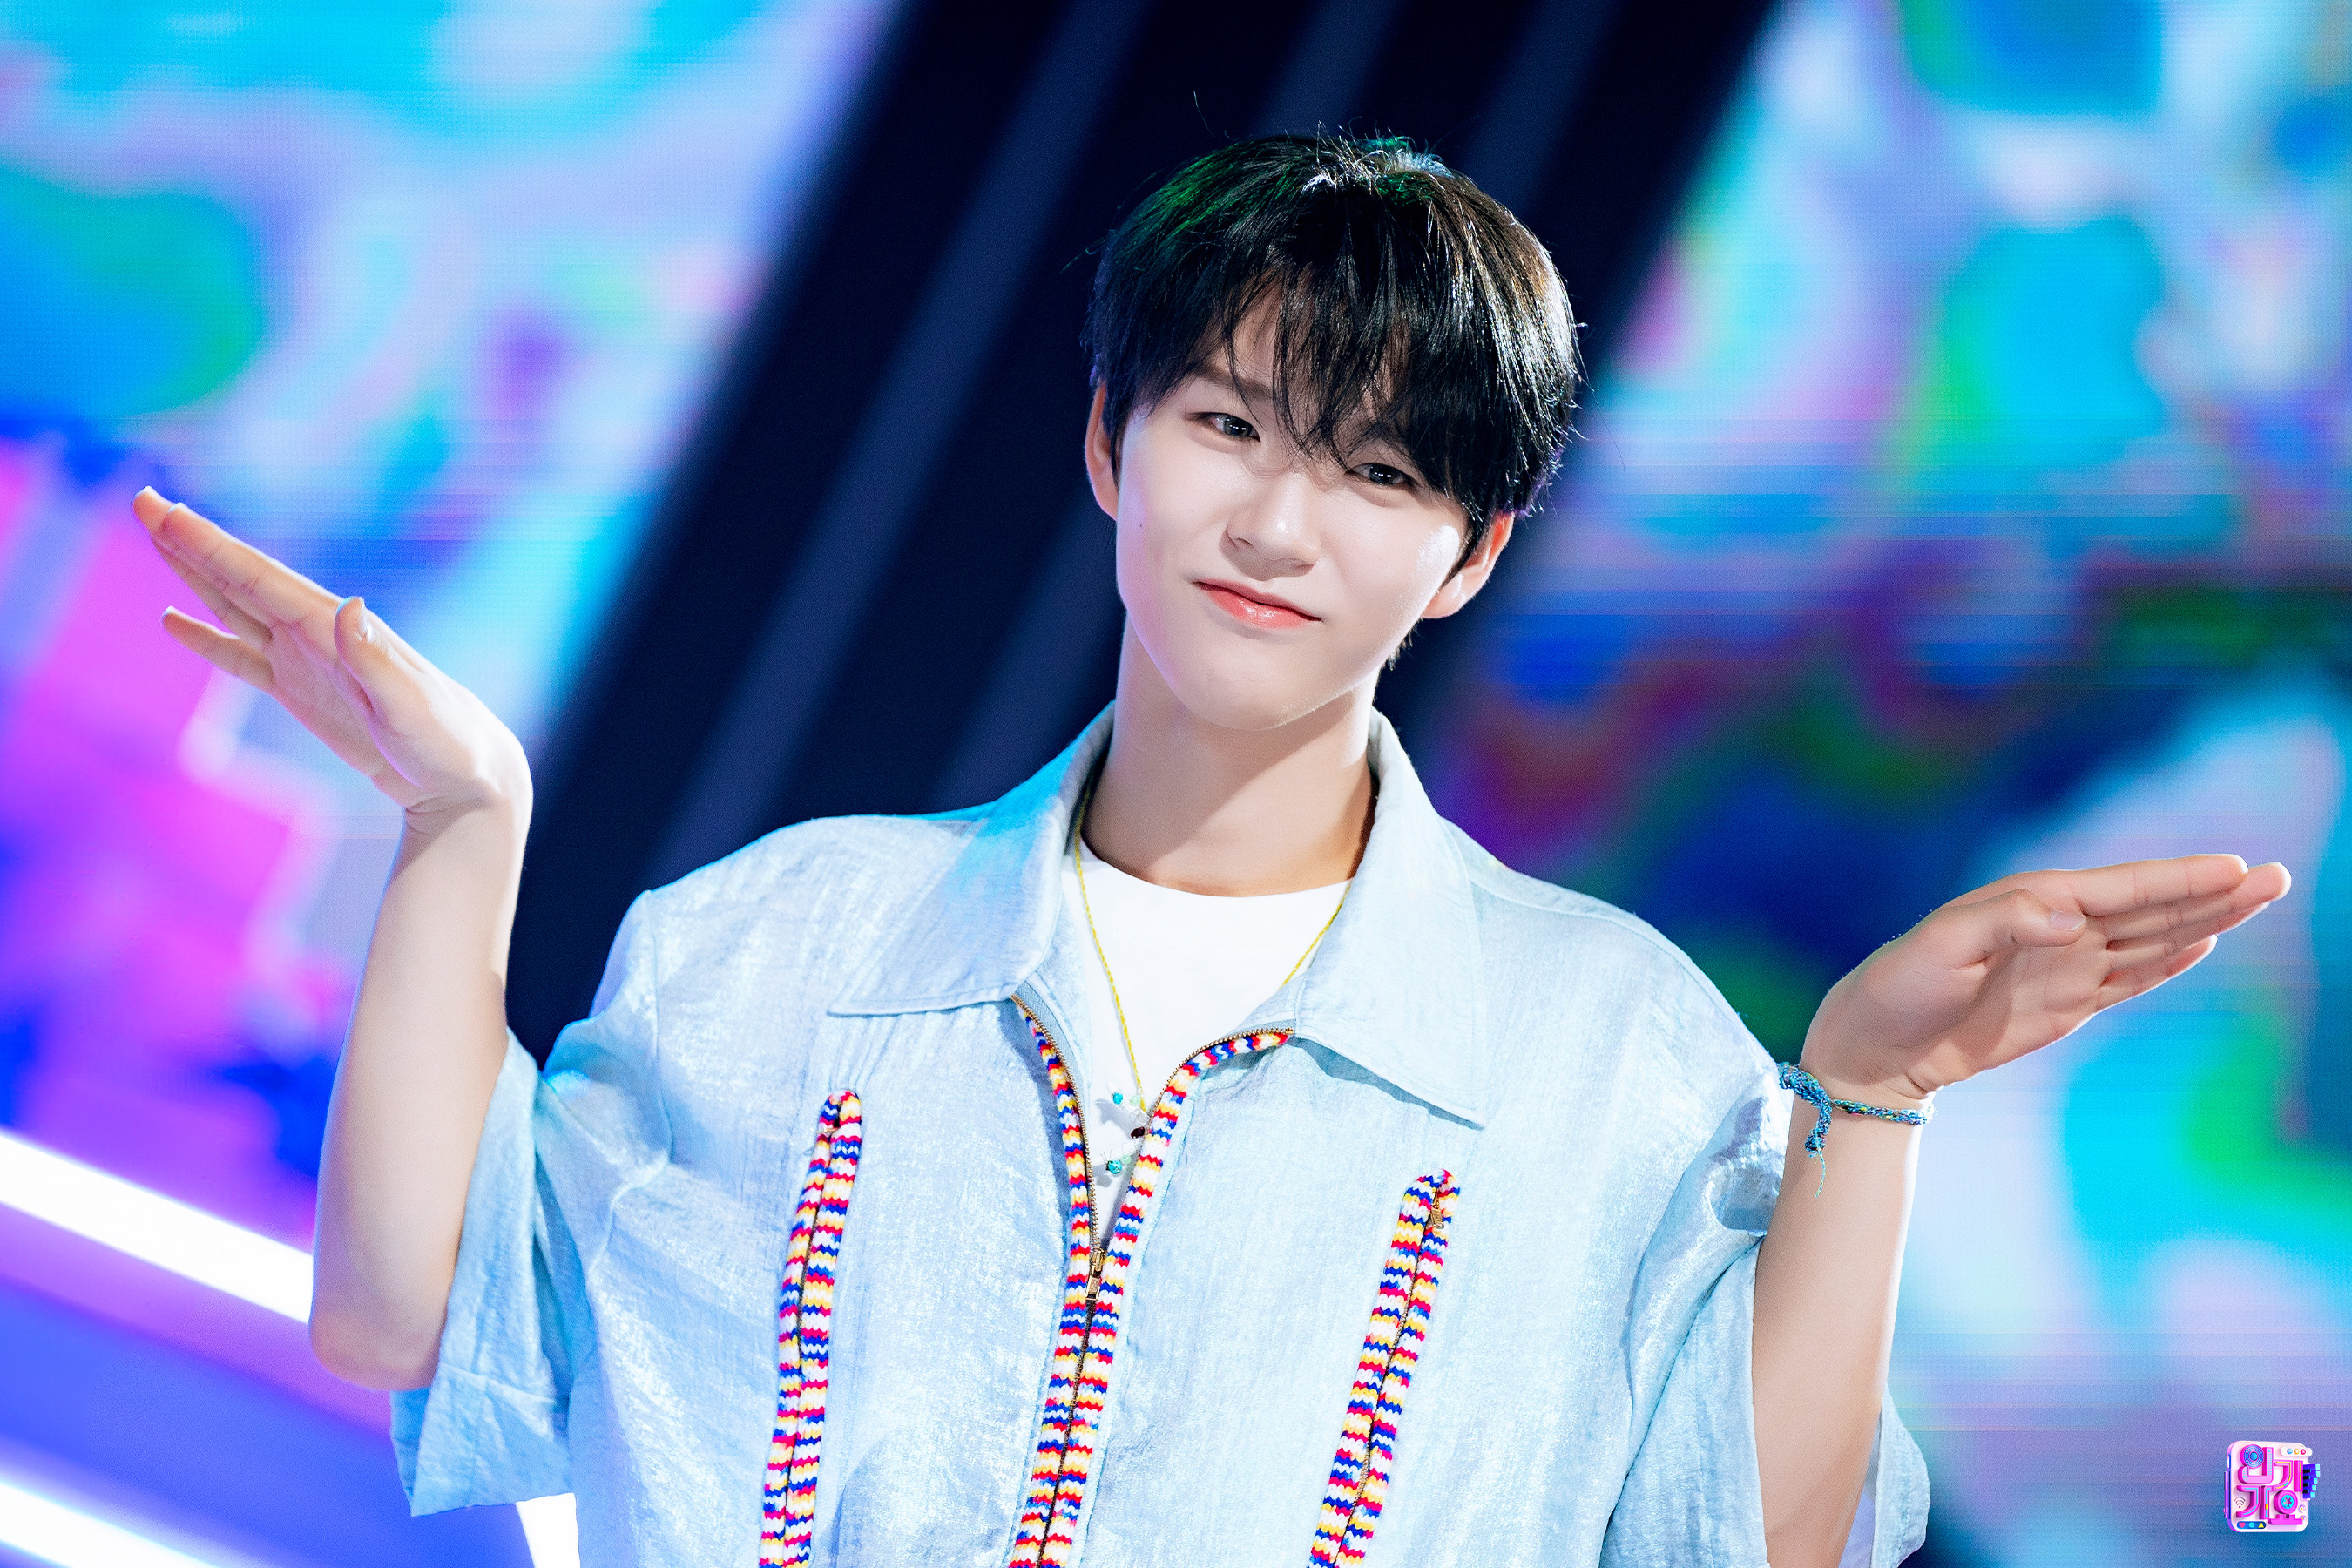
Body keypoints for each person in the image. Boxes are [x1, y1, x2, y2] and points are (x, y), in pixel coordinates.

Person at [133, 133, 2288, 1568]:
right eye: (1230, 426)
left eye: (1377, 472)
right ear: (1111, 439)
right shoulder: (780, 942)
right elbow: (416, 1324)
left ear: (1468, 555)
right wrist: (461, 828)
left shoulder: (1606, 1043)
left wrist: (1872, 1095)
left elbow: (1754, 1537)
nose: (1275, 524)